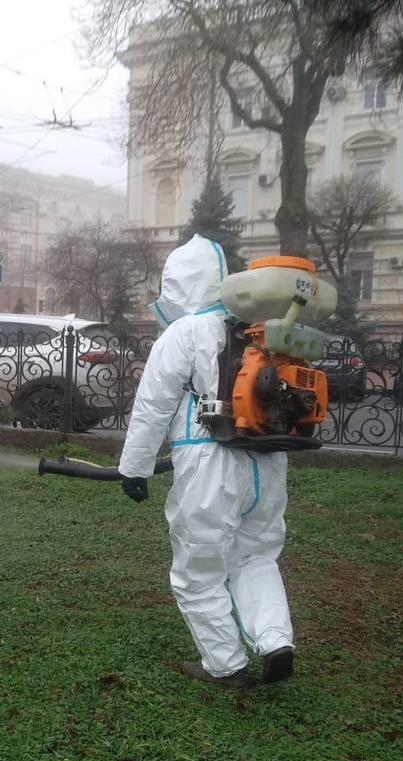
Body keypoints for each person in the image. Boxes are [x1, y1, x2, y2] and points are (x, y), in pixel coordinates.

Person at [118, 235, 295, 689]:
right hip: (266, 462)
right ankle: (275, 641)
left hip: (210, 466)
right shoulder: (259, 330)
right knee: (256, 558)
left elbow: (153, 407)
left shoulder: (185, 332)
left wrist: (134, 470)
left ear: (177, 285)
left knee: (199, 569)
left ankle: (225, 664)